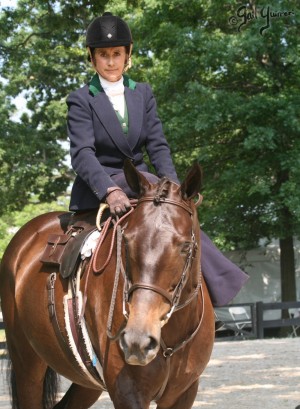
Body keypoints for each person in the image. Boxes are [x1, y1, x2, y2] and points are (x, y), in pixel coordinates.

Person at [67, 12, 248, 312]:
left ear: (128, 56)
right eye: (103, 55)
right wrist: (110, 191)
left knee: (179, 223)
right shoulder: (82, 99)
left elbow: (158, 146)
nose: (111, 62)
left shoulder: (143, 94)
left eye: (116, 54)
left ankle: (209, 295)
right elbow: (82, 154)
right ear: (92, 57)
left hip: (143, 182)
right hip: (102, 185)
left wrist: (175, 190)